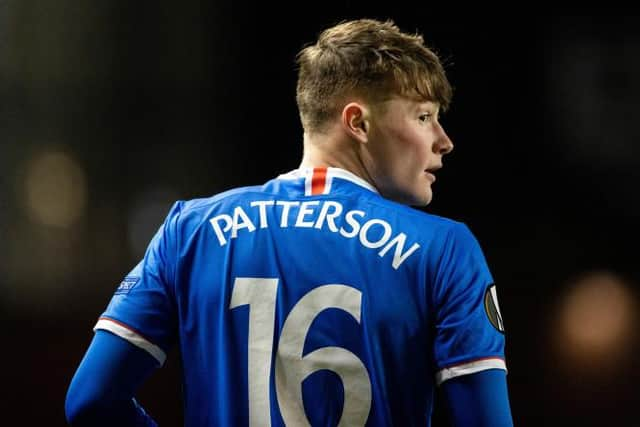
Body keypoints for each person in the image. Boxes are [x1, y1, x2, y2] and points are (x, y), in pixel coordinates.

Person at [65, 18, 513, 426]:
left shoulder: (190, 230)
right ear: (357, 122)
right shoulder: (444, 249)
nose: (444, 141)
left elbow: (90, 399)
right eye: (424, 117)